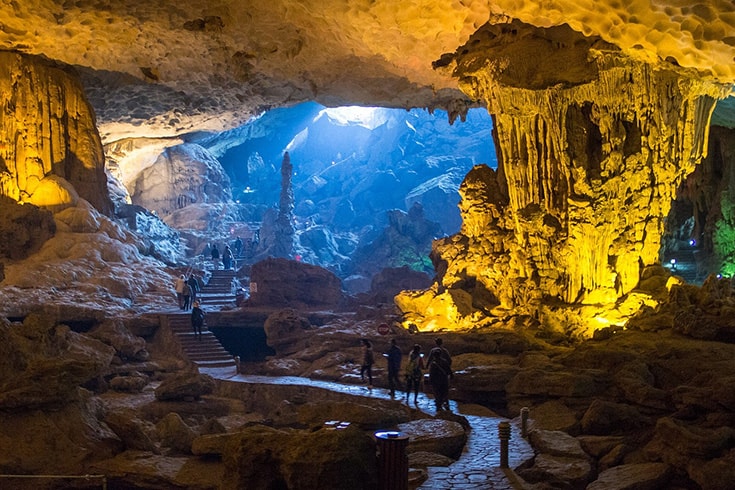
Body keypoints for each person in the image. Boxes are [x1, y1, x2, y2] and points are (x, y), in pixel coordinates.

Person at [428, 338, 453, 410]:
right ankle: (446, 404)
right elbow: (449, 362)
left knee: (437, 391)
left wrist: (430, 379)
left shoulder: (433, 362)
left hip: (436, 380)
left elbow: (431, 371)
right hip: (444, 378)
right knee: (445, 391)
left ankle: (439, 406)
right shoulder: (445, 353)